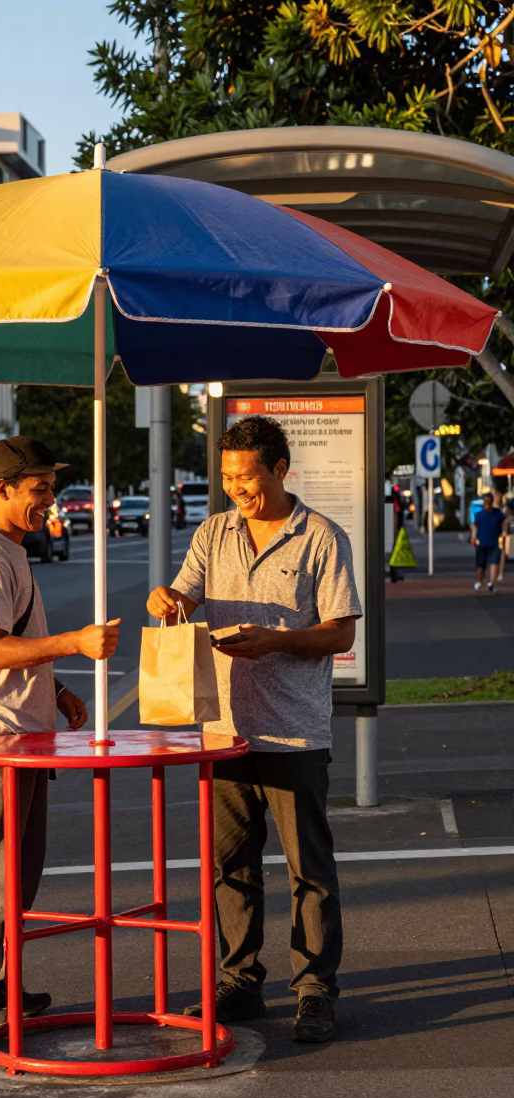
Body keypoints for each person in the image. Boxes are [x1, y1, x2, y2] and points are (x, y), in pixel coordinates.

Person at [147, 415, 361, 1044]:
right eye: (227, 478)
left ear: (279, 469)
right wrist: (168, 599)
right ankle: (239, 979)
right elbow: (184, 594)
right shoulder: (215, 533)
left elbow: (341, 632)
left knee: (309, 870)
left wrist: (280, 639)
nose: (236, 488)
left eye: (247, 477)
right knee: (230, 866)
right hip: (224, 732)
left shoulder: (321, 536)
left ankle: (316, 990)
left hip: (294, 733)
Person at [0, 436, 121, 1039]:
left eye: (52, 487)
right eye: (39, 489)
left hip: (23, 735)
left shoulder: (12, 551)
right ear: (2, 490)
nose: (51, 500)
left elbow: (11, 645)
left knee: (18, 871)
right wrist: (72, 642)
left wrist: (58, 684)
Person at [471, 492, 505, 593]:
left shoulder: (497, 514)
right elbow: (475, 526)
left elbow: (503, 525)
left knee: (492, 562)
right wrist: (473, 537)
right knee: (482, 564)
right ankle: (481, 581)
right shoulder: (481, 515)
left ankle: (490, 583)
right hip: (483, 542)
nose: (487, 505)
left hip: (492, 542)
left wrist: (503, 535)